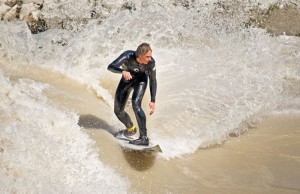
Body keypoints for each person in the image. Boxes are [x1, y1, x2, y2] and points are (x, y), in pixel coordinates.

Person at [107, 43, 157, 146]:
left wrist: (153, 100)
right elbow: (110, 66)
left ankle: (144, 137)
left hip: (141, 81)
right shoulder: (127, 56)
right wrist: (122, 71)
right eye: (147, 56)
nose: (149, 59)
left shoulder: (151, 62)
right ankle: (131, 129)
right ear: (140, 55)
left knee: (136, 103)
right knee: (118, 111)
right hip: (127, 80)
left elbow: (153, 80)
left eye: (150, 56)